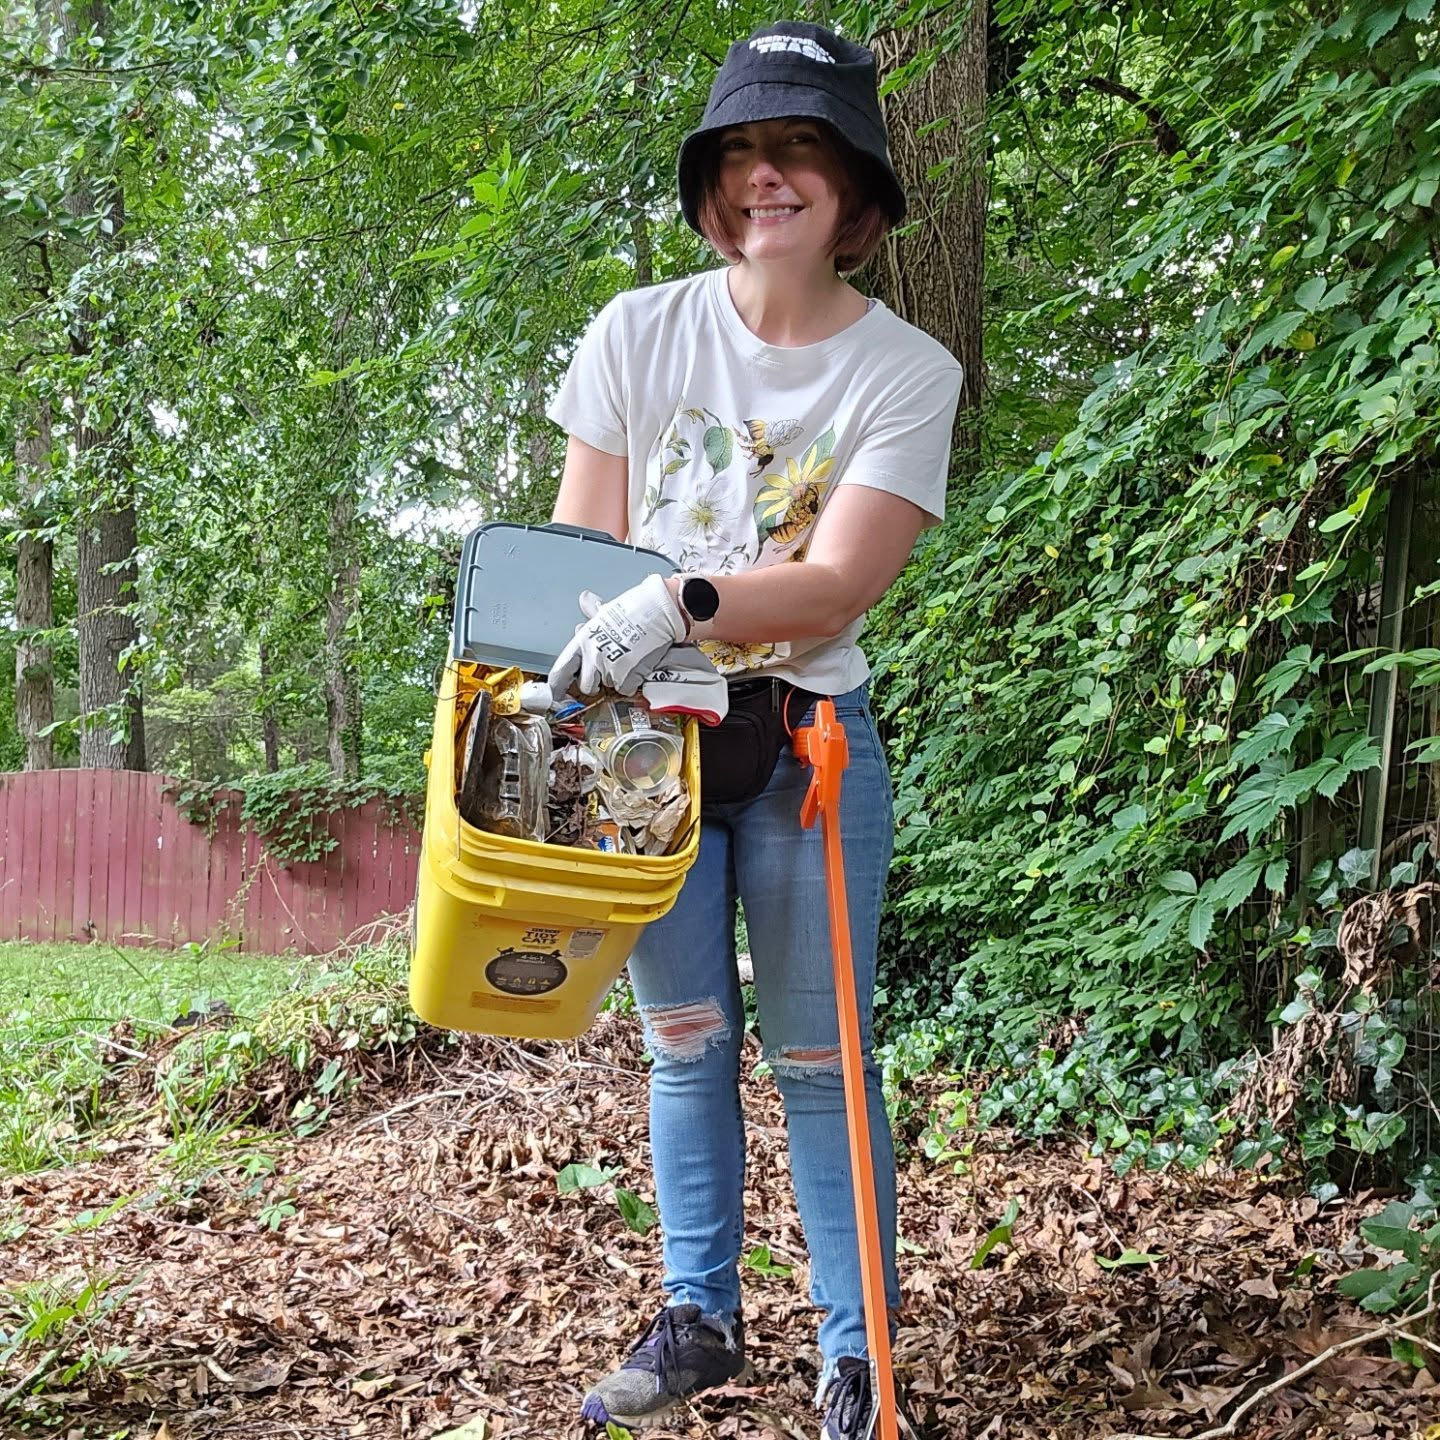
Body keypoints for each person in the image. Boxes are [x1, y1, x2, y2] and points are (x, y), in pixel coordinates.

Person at [543, 20, 963, 1439]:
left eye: (796, 148)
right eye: (741, 151)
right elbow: (577, 546)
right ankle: (699, 1319)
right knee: (682, 1036)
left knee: (821, 1059)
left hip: (804, 748)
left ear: (855, 190)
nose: (765, 175)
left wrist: (680, 599)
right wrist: (597, 632)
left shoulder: (906, 373)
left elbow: (842, 579)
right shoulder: (636, 334)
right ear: (710, 186)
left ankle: (857, 1361)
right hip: (642, 750)